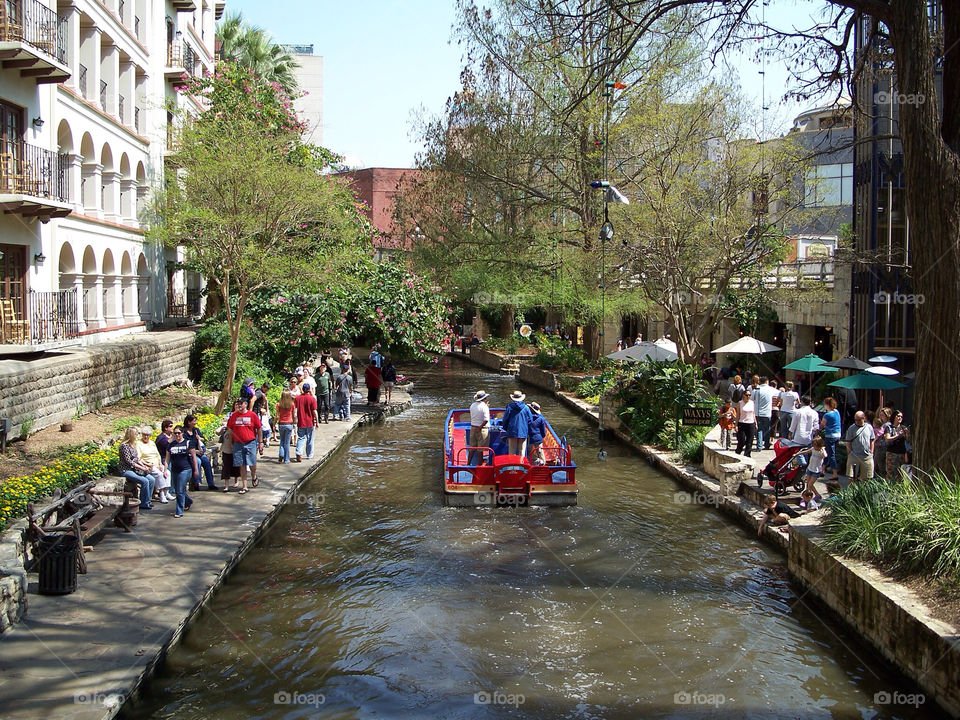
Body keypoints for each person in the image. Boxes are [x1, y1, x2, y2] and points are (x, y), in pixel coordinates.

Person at [227, 396, 263, 492]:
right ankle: (244, 486)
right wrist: (231, 442)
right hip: (238, 444)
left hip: (250, 442)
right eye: (238, 403)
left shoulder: (252, 415)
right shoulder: (234, 416)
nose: (239, 405)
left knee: (252, 463)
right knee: (241, 464)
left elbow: (259, 428)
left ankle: (253, 475)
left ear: (246, 404)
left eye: (241, 403)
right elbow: (230, 430)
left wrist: (260, 442)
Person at [164, 425, 198, 517]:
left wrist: (196, 470)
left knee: (179, 490)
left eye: (179, 433)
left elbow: (194, 457)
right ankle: (188, 501)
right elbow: (167, 459)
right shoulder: (171, 445)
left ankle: (179, 511)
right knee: (178, 490)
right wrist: (165, 470)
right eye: (175, 433)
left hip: (186, 469)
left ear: (182, 433)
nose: (177, 435)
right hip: (175, 470)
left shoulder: (188, 443)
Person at [118, 427, 155, 509]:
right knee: (144, 481)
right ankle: (143, 504)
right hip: (126, 469)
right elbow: (129, 461)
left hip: (134, 469)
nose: (137, 435)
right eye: (135, 434)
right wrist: (141, 468)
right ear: (131, 435)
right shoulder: (124, 446)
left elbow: (137, 459)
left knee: (151, 479)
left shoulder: (133, 445)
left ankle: (147, 500)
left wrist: (144, 465)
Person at [136, 426, 171, 503]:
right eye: (144, 435)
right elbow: (138, 458)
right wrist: (147, 464)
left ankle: (166, 493)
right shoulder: (138, 444)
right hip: (147, 465)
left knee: (167, 472)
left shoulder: (152, 443)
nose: (146, 437)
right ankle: (161, 494)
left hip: (157, 463)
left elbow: (157, 454)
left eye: (147, 435)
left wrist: (160, 464)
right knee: (159, 474)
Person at [182, 414, 217, 491]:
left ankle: (211, 484)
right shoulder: (183, 432)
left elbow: (203, 439)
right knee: (197, 462)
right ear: (188, 422)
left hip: (199, 451)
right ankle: (196, 483)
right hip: (189, 453)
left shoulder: (196, 430)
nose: (195, 423)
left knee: (206, 462)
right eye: (194, 421)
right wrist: (195, 451)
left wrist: (200, 438)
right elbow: (183, 445)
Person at [218, 400, 244, 491]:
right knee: (226, 464)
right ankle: (226, 485)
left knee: (236, 464)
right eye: (236, 405)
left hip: (237, 441)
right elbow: (223, 424)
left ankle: (236, 481)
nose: (237, 406)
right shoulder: (229, 414)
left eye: (239, 405)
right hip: (227, 441)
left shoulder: (242, 415)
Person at [845, 410, 875, 482]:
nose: (857, 421)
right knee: (851, 477)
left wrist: (871, 451)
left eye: (859, 420)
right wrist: (849, 453)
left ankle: (862, 492)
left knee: (866, 477)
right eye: (855, 420)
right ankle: (851, 492)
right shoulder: (851, 428)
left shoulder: (869, 427)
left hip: (866, 456)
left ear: (864, 418)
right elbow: (848, 442)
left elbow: (872, 440)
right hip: (854, 455)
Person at [501, 389, 532, 456]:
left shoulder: (509, 407)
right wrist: (527, 430)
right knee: (522, 451)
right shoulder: (526, 408)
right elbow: (530, 420)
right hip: (523, 431)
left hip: (512, 431)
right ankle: (521, 464)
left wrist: (506, 429)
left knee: (512, 451)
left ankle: (512, 465)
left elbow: (505, 419)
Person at [797, 436, 827, 502]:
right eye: (814, 445)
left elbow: (825, 456)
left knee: (810, 484)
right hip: (810, 468)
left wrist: (823, 449)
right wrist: (798, 453)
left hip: (816, 470)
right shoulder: (813, 449)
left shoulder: (821, 452)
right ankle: (813, 496)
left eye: (816, 445)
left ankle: (808, 498)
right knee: (808, 484)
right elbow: (806, 451)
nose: (815, 447)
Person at [820, 397, 842, 484]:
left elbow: (822, 425)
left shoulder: (827, 415)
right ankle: (823, 469)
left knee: (831, 454)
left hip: (830, 435)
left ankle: (835, 473)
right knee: (828, 452)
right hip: (838, 434)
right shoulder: (836, 412)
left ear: (827, 405)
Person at [294, 382, 318, 461]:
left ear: (302, 389)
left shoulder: (297, 398)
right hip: (310, 422)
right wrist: (317, 422)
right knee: (310, 439)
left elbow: (294, 409)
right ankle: (309, 455)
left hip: (301, 421)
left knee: (301, 438)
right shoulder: (312, 399)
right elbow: (314, 411)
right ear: (309, 390)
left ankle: (299, 452)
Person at [883, 411, 910, 479]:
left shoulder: (903, 427)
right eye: (898, 416)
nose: (900, 418)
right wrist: (898, 435)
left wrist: (907, 433)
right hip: (892, 453)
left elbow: (908, 440)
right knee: (890, 472)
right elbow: (887, 439)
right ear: (894, 417)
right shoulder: (889, 428)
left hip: (901, 453)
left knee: (900, 473)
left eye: (901, 416)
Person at [753, 376, 777, 451]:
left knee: (759, 429)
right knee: (767, 429)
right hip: (767, 413)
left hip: (757, 412)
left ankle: (759, 446)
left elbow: (751, 399)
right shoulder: (771, 389)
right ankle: (767, 444)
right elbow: (780, 394)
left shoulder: (756, 389)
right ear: (767, 382)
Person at [468, 390, 490, 466]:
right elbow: (486, 419)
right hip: (482, 429)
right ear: (484, 399)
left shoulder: (472, 405)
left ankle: (468, 463)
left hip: (473, 427)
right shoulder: (484, 407)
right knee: (480, 449)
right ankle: (479, 465)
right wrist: (480, 427)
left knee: (472, 447)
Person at [275, 390, 297, 463]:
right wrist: (294, 422)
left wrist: (274, 423)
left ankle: (281, 454)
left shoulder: (278, 404)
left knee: (282, 441)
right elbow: (293, 415)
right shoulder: (292, 404)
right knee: (287, 443)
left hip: (281, 423)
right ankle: (286, 459)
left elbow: (277, 416)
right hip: (289, 423)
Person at [735, 389, 757, 457]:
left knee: (749, 441)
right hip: (742, 423)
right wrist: (736, 425)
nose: (748, 396)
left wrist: (756, 423)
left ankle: (747, 455)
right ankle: (738, 452)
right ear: (743, 395)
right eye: (747, 395)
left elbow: (753, 413)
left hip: (751, 423)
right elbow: (738, 414)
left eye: (749, 395)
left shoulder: (752, 402)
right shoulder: (740, 403)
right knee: (741, 440)